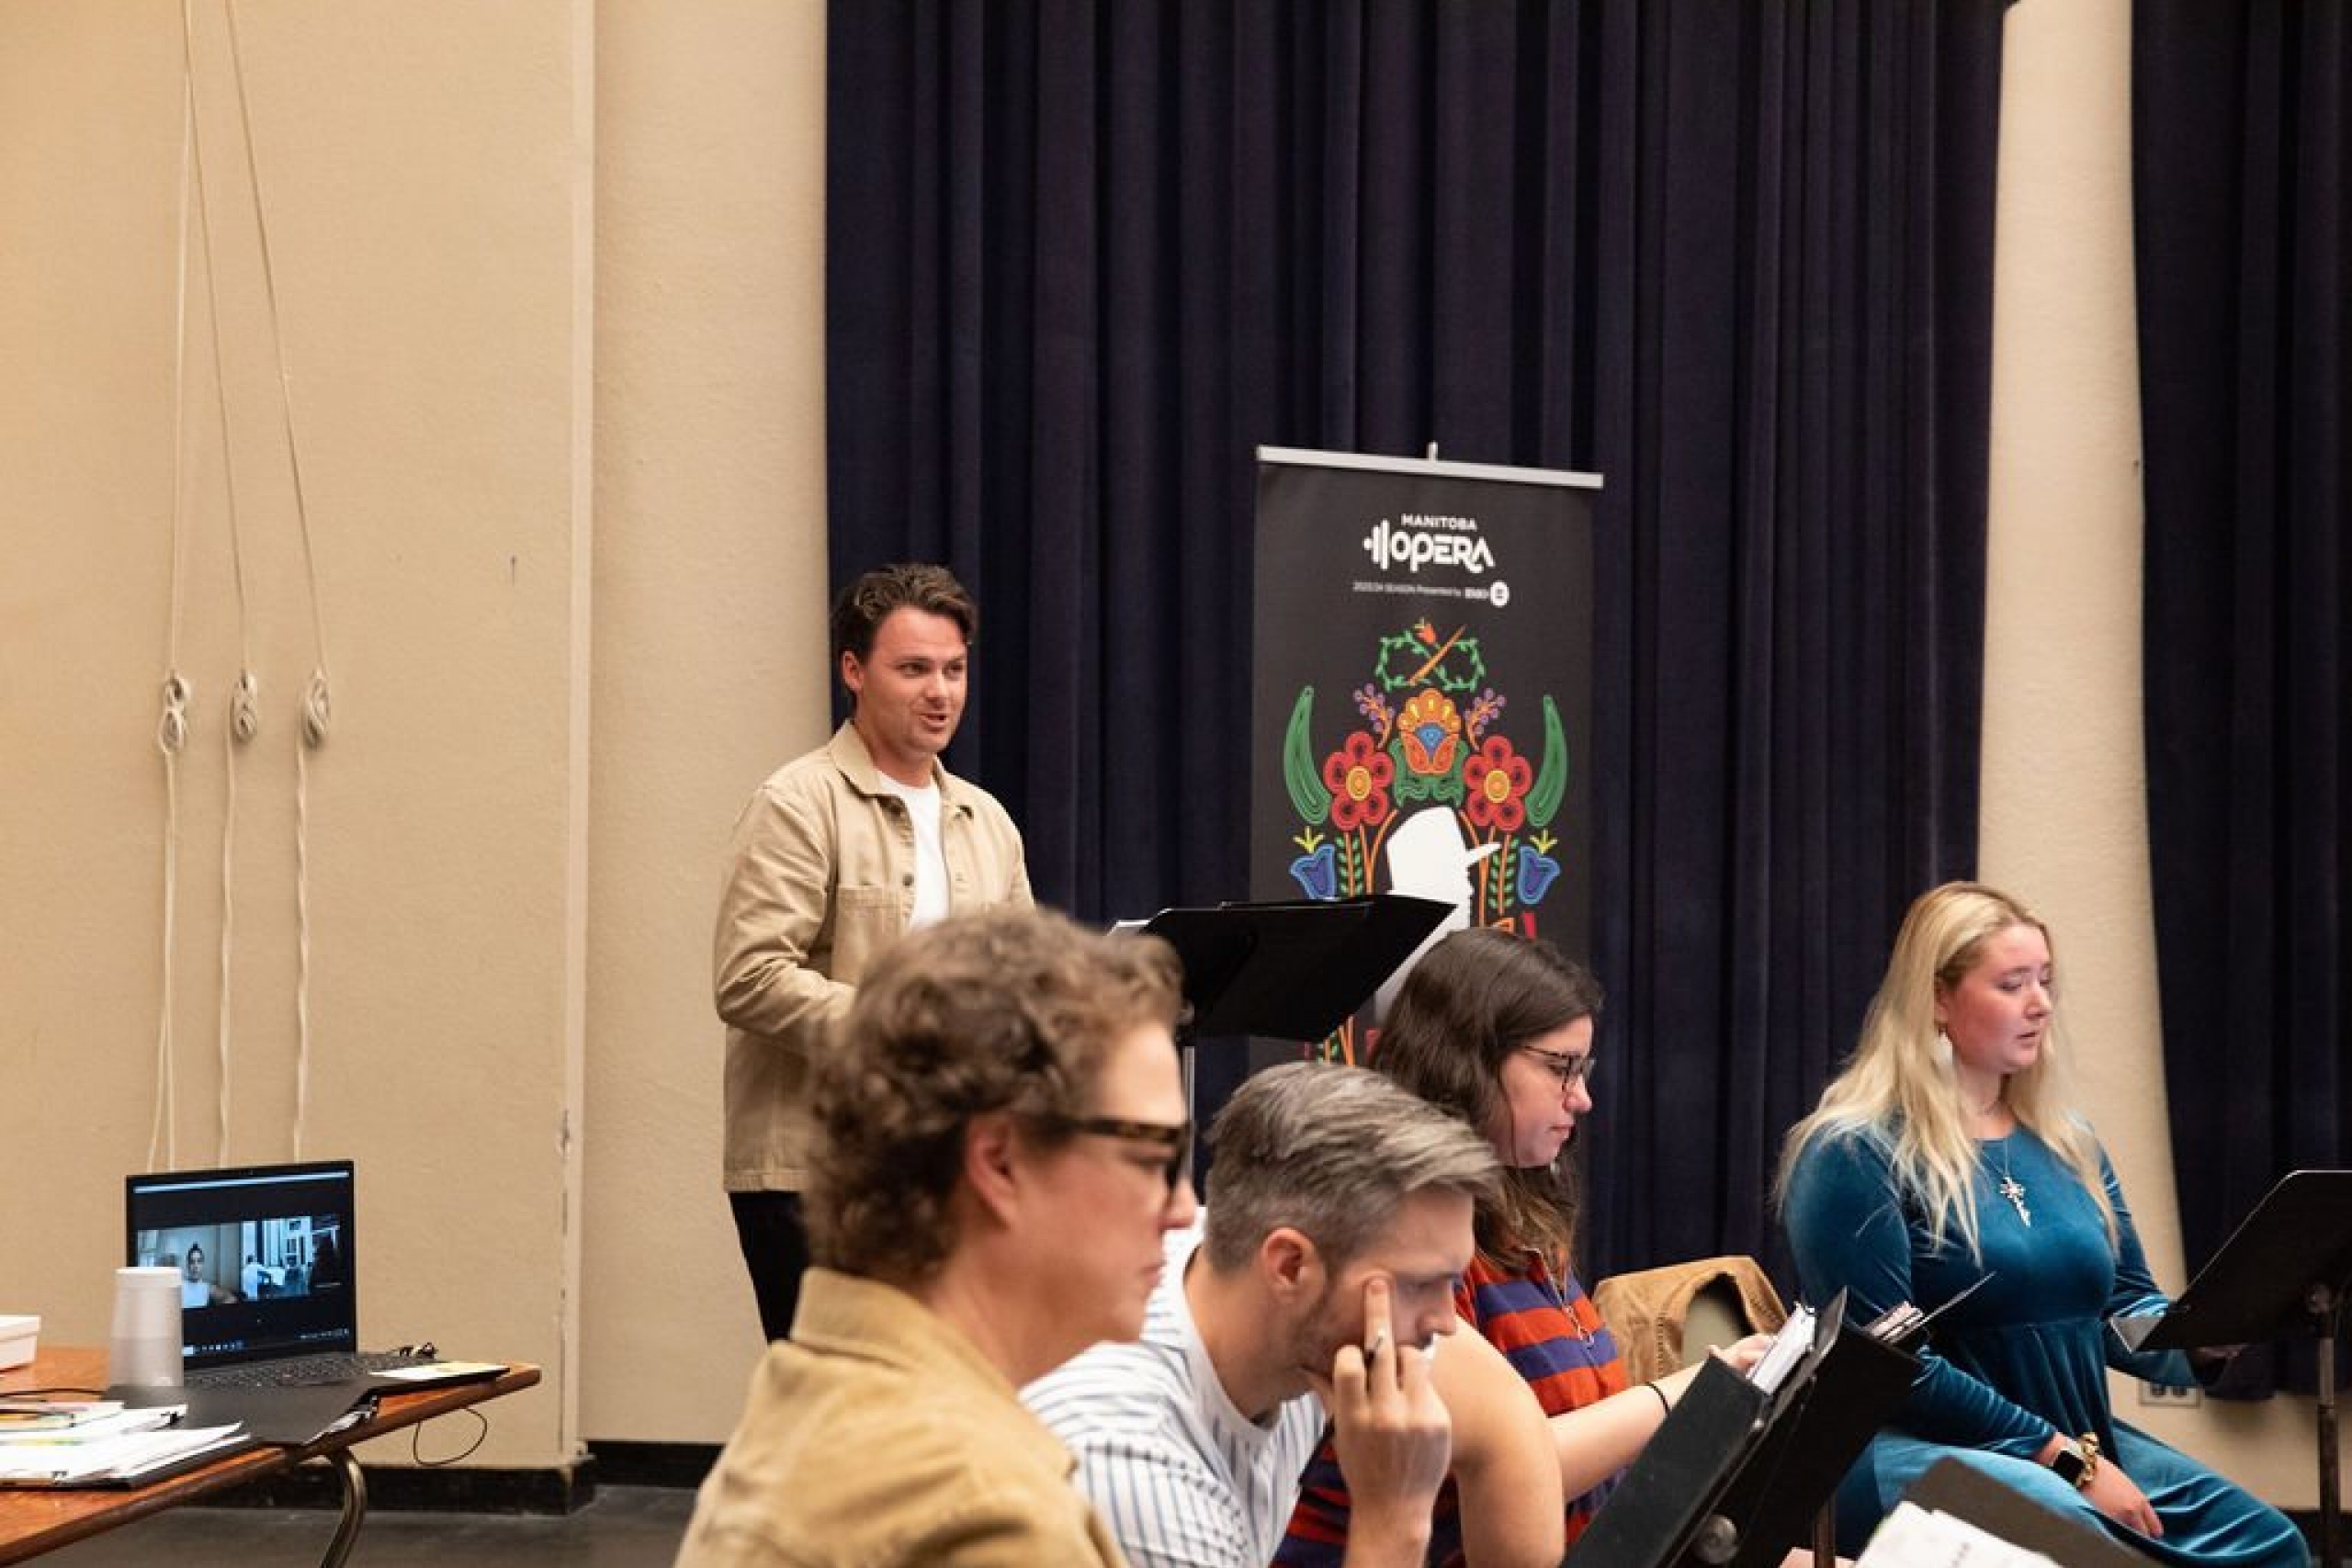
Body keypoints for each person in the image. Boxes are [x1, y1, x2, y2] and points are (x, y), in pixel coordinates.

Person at [1777, 881, 2305, 1565]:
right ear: (1938, 998)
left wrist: (2201, 1340)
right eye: (2011, 983)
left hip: (2073, 1437)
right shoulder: (1855, 1150)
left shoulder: (2068, 1140)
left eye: (2046, 981)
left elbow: (2121, 1307)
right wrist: (2066, 1460)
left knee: (2271, 1542)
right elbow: (1891, 1363)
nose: (2041, 1003)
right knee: (2091, 1549)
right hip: (1919, 1447)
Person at [675, 907, 1189, 1567]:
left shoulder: (817, 1393)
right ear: (1000, 1161)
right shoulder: (990, 1518)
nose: (1182, 1208)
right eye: (1155, 1158)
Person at [1283, 929, 1770, 1563]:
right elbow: (1514, 1464)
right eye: (1560, 1067)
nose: (1583, 1097)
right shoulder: (1409, 1245)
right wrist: (1686, 1394)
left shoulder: (1528, 1218)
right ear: (1467, 1058)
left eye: (1583, 1068)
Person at [1025, 1061, 1540, 1568]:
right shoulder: (1132, 1465)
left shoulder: (1245, 1276)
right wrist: (1395, 1520)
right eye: (1421, 1284)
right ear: (1290, 1266)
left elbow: (1505, 1419)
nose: (1445, 1322)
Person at [713, 561, 1031, 1341]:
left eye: (954, 669)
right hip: (815, 1170)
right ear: (853, 670)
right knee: (836, 1415)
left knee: (932, 1409)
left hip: (949, 1169)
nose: (941, 692)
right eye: (914, 668)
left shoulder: (985, 819)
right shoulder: (798, 802)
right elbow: (748, 977)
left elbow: (1026, 983)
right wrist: (907, 1030)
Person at [179, 1242, 235, 1307]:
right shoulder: (180, 1285)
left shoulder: (207, 1288)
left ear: (203, 1265)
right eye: (192, 1262)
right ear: (187, 1265)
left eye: (199, 1261)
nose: (196, 1266)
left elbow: (232, 1299)